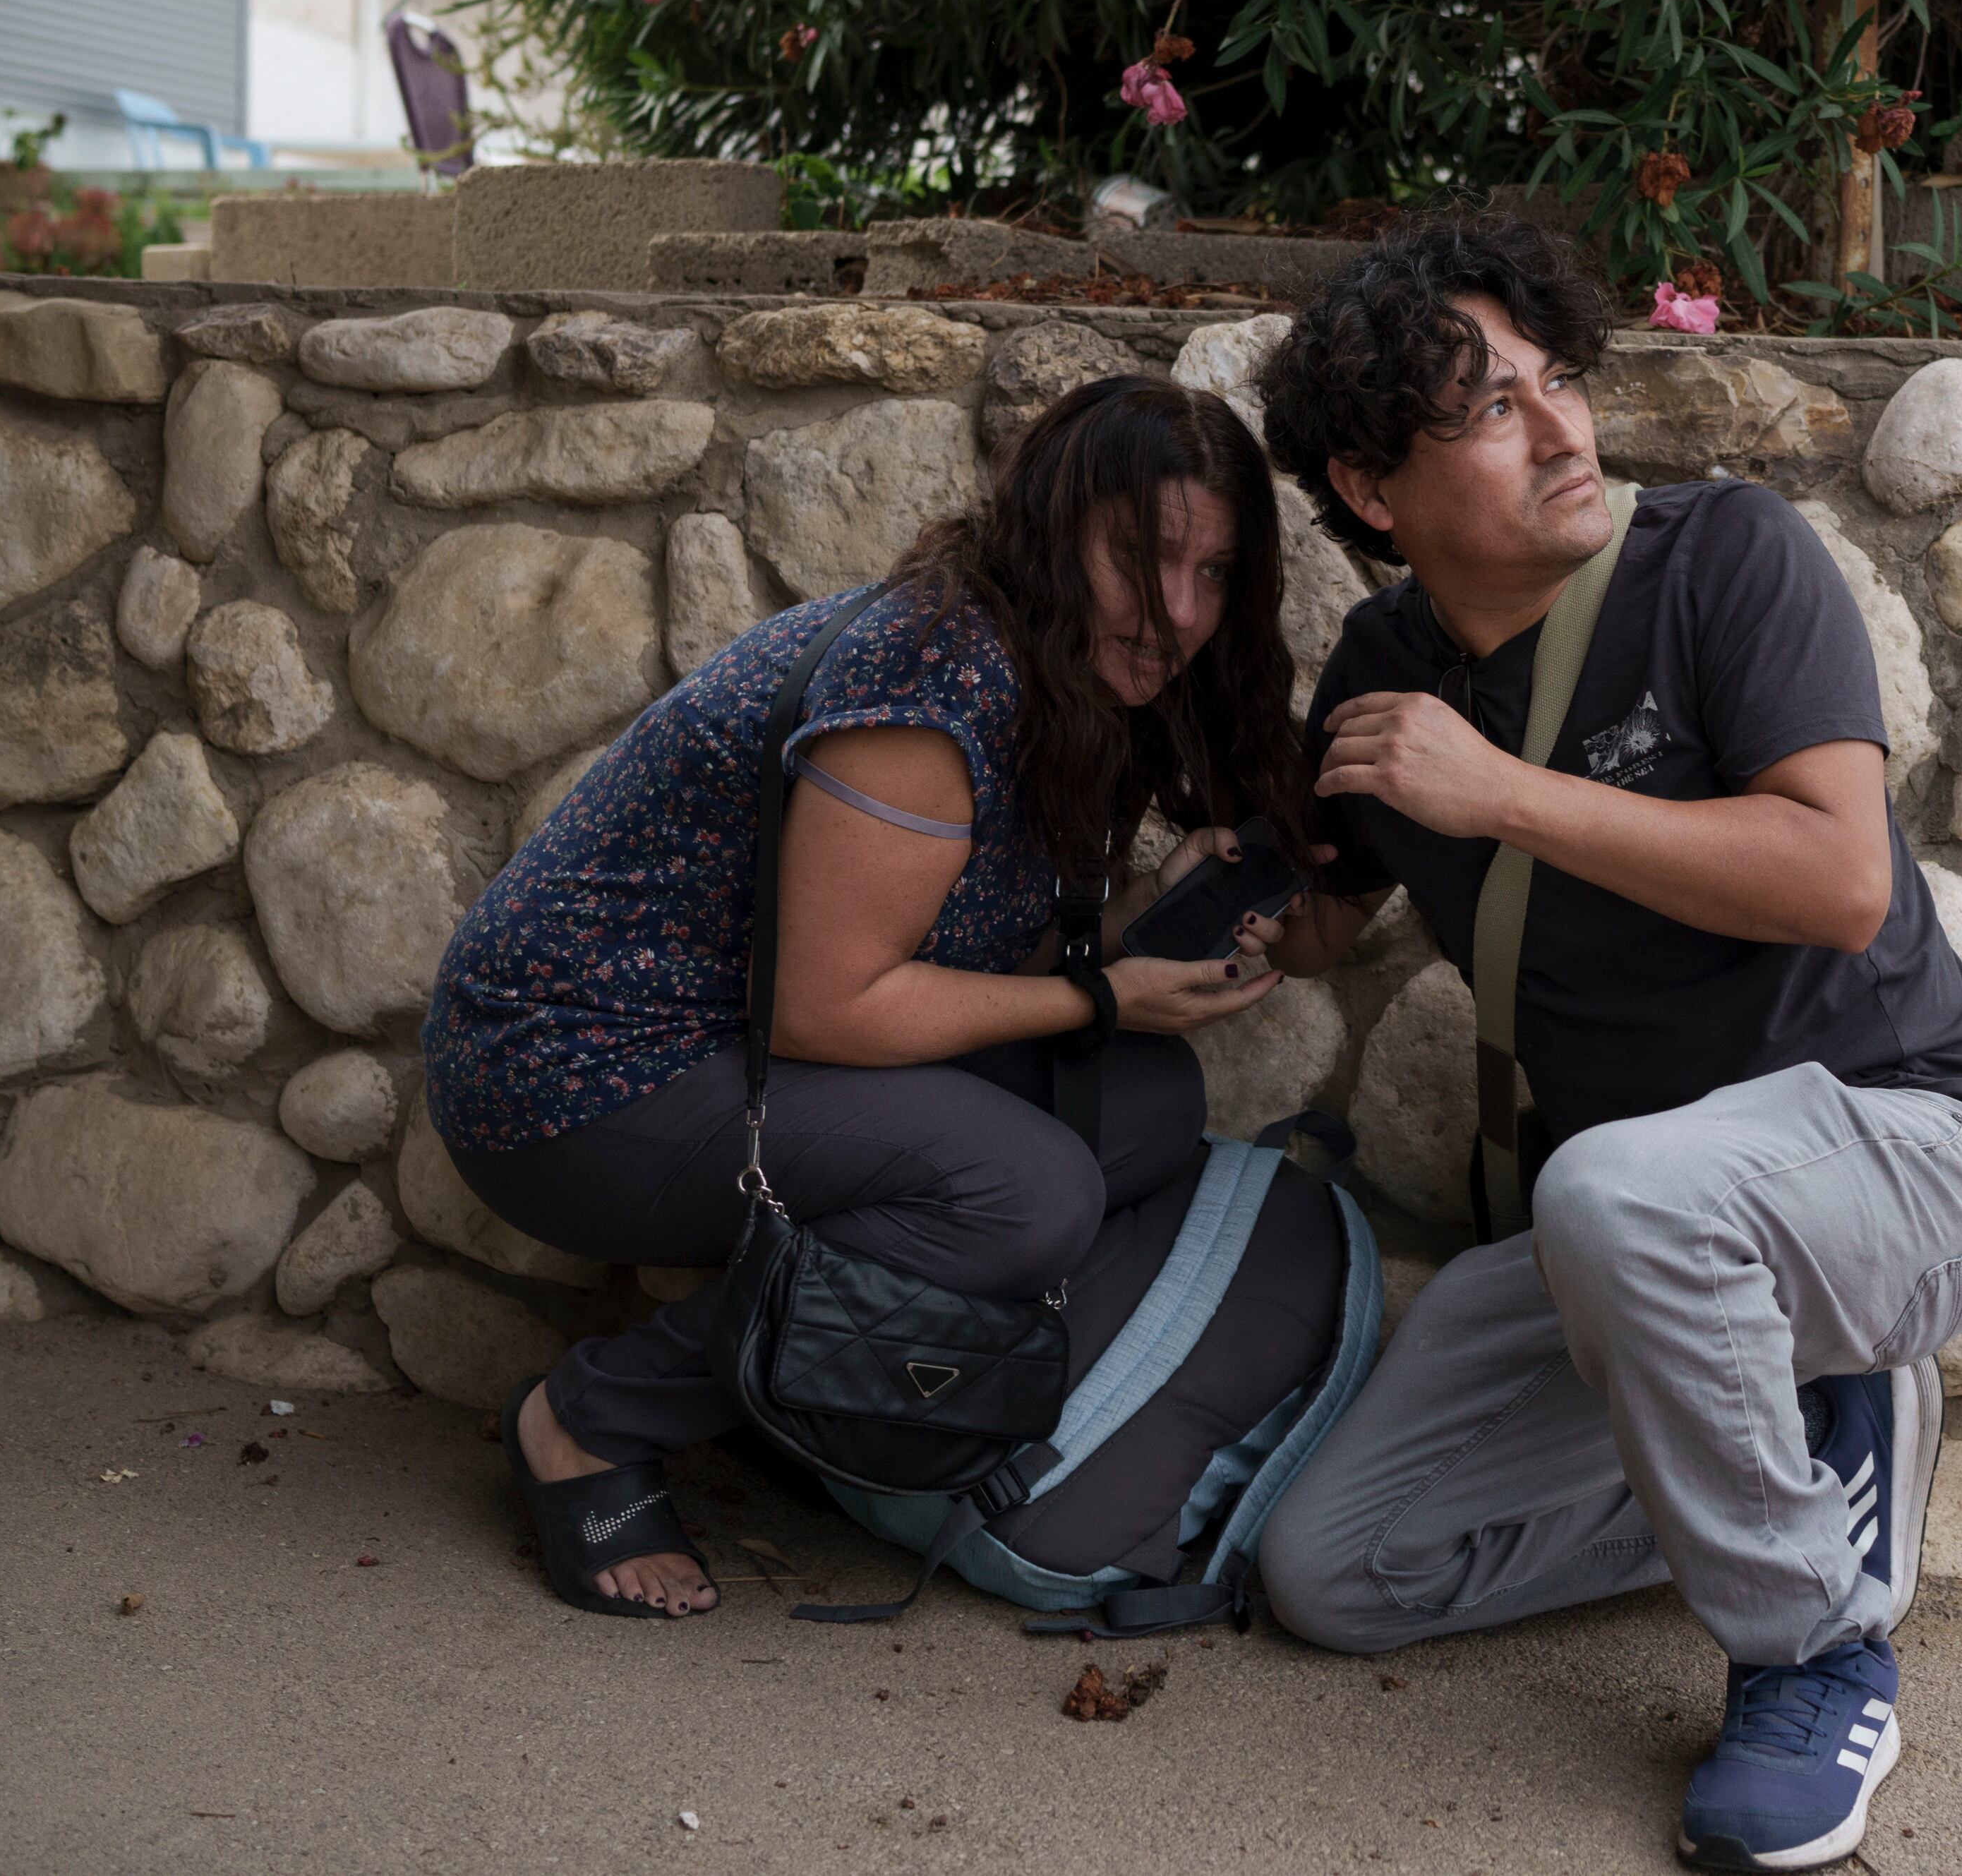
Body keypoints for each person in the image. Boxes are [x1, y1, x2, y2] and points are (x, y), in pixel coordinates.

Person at [1228, 215, 1962, 1873]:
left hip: (1898, 1149)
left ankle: (1812, 1644)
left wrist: (1502, 793)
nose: (1562, 427)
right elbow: (1328, 913)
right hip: (1639, 1241)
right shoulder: (1388, 670)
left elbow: (1836, 874)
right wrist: (1212, 920)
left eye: (1551, 382)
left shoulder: (1727, 559)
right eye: (1488, 409)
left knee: (1609, 1194)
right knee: (1335, 1570)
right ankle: (1800, 1459)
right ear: (1372, 491)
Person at [423, 375, 1317, 1619]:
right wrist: (1101, 994)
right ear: (1058, 529)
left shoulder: (1057, 665)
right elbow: (828, 1011)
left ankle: (816, 1357)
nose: (1176, 611)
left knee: (1142, 1103)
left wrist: (1131, 931)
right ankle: (588, 1417)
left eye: (1215, 574)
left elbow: (942, 944)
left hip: (735, 1048)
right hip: (571, 1079)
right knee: (1031, 1190)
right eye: (1140, 555)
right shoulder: (935, 675)